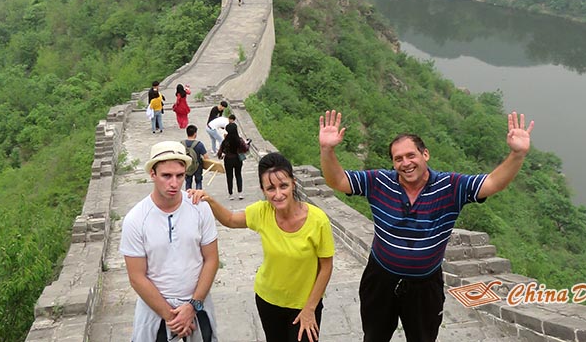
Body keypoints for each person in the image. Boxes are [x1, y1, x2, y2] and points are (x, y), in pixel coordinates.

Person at [318, 110, 534, 342]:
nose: (405, 163)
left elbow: (492, 183)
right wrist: (327, 150)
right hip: (380, 279)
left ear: (425, 155)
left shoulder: (450, 186)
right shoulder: (378, 182)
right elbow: (337, 181)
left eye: (411, 155)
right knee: (373, 336)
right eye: (398, 159)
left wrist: (517, 154)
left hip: (425, 285)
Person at [188, 152, 334, 342]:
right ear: (263, 190)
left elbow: (326, 267)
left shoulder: (317, 220)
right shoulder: (262, 212)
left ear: (293, 183)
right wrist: (210, 200)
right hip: (268, 301)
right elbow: (231, 220)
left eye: (283, 186)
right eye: (270, 188)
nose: (278, 194)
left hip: (305, 304)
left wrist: (310, 308)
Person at [120, 141, 220, 341]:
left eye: (179, 176)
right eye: (166, 175)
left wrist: (193, 306)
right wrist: (172, 317)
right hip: (155, 310)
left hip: (197, 303)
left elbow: (211, 259)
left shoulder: (199, 208)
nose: (174, 183)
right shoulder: (136, 219)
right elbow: (137, 277)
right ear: (153, 174)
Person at [217, 122, 246, 200]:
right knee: (238, 175)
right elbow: (245, 148)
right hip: (237, 159)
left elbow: (220, 151)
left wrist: (220, 155)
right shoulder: (239, 140)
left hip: (228, 160)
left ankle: (231, 194)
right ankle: (240, 193)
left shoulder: (225, 141)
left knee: (229, 176)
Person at [183, 125, 208, 190]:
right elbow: (206, 157)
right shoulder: (199, 144)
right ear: (195, 133)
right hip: (197, 166)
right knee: (198, 182)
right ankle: (198, 197)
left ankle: (188, 197)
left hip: (187, 166)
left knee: (188, 182)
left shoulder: (182, 143)